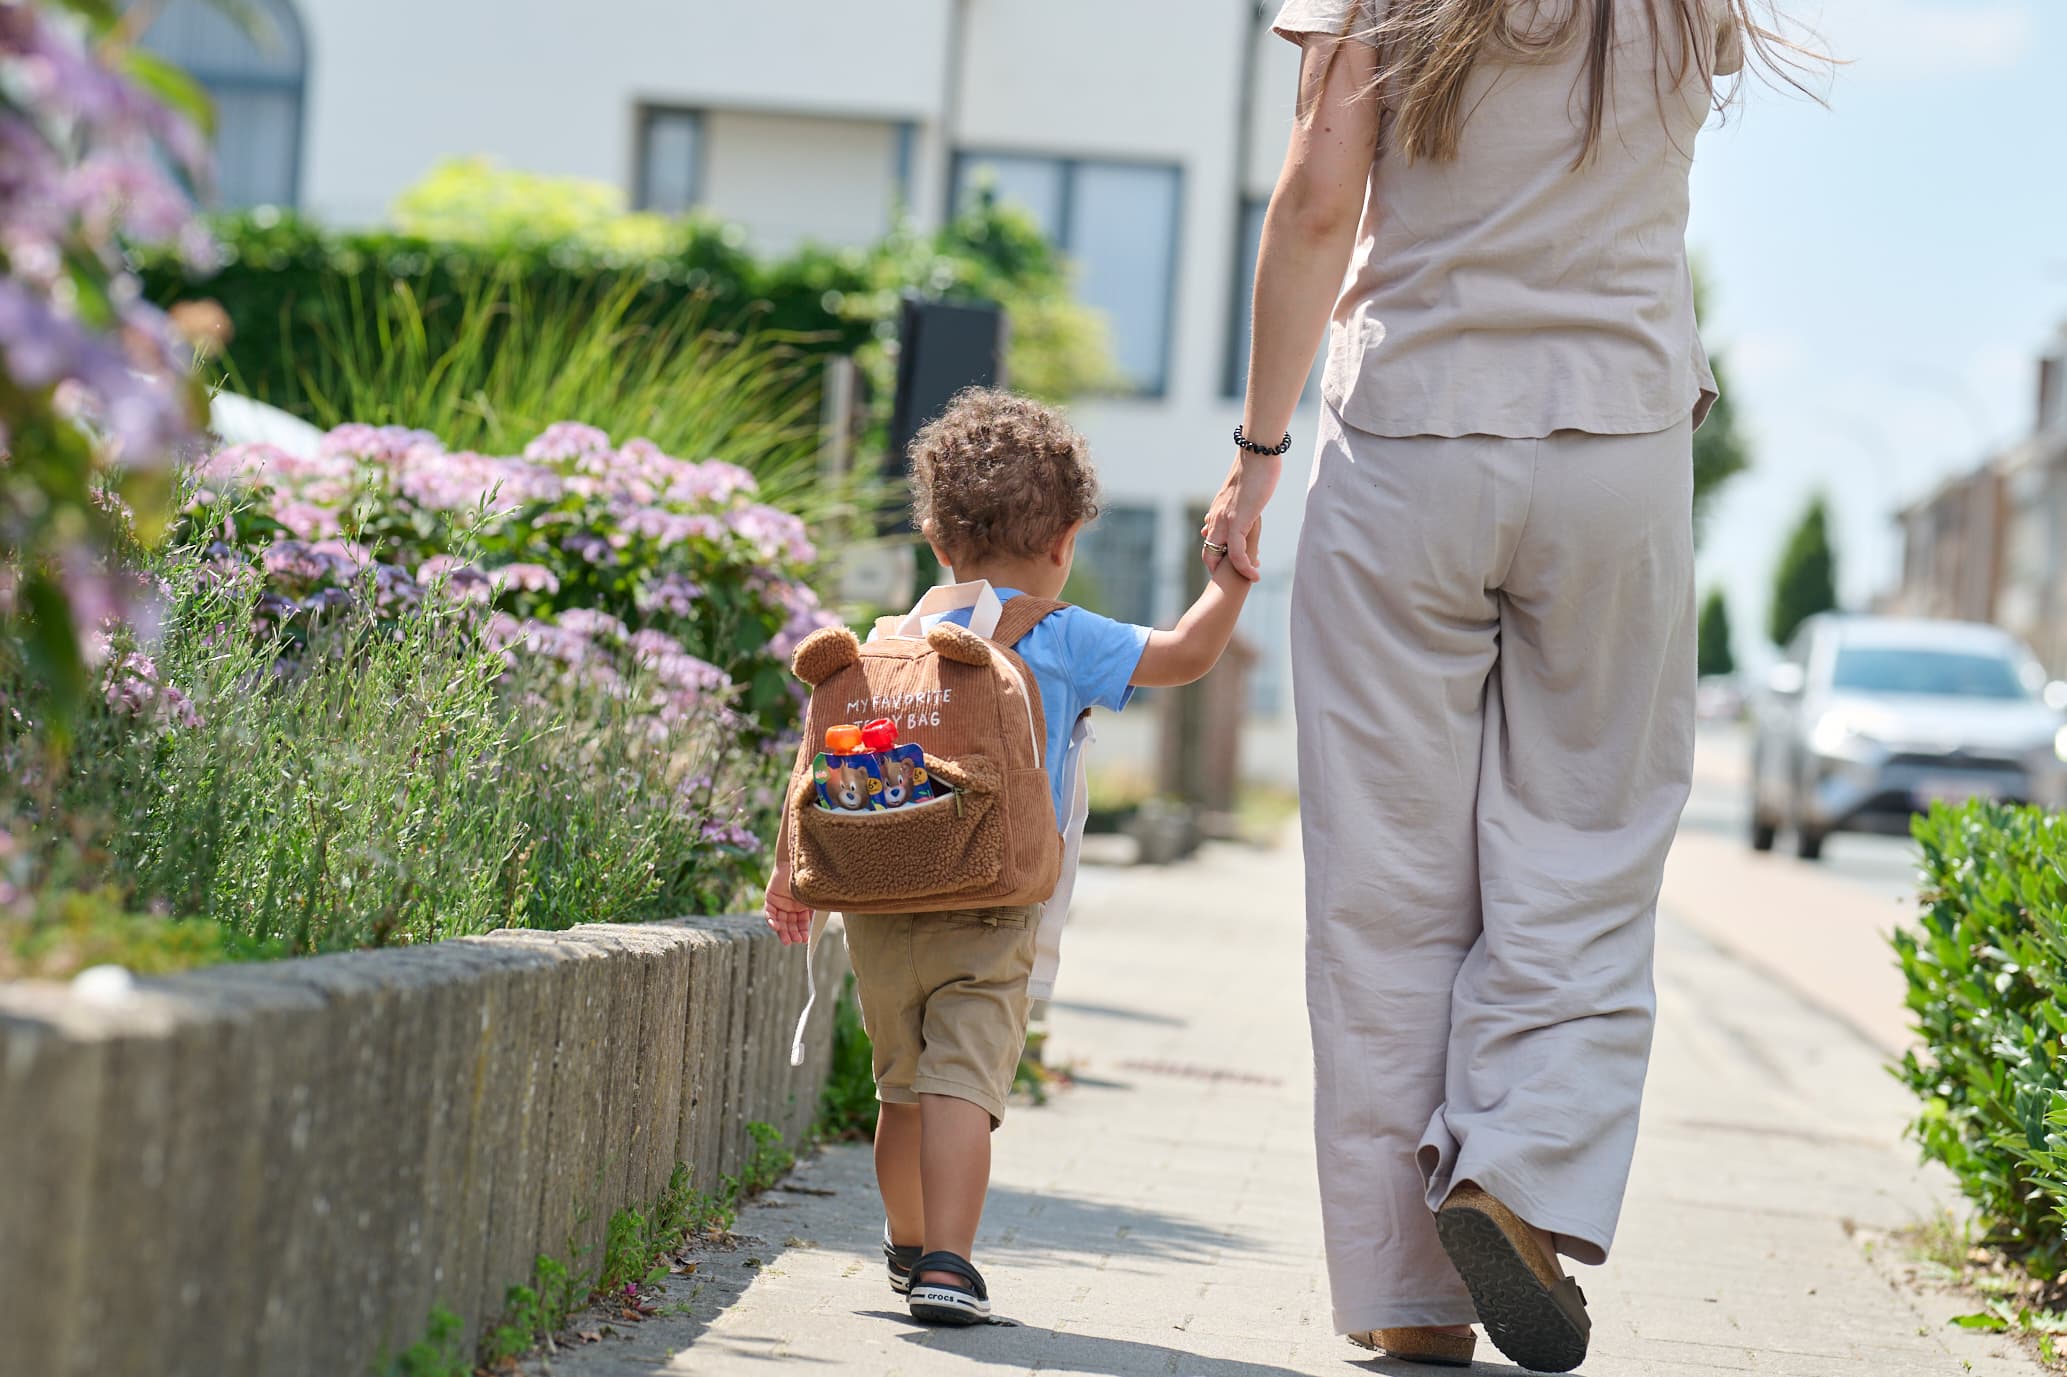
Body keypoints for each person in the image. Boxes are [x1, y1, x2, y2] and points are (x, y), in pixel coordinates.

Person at [1200, 1, 1818, 1370]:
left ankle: (1410, 1293)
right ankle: (1516, 1174)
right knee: (1582, 847)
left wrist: (1253, 451)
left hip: (1406, 439)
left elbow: (1314, 201)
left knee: (1384, 883)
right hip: (1620, 442)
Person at [766, 388, 1256, 1325]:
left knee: (900, 1082)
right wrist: (1229, 577)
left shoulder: (885, 644)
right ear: (1066, 541)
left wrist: (792, 877)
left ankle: (905, 1243)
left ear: (936, 540)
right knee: (963, 1083)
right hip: (993, 909)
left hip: (879, 905)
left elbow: (824, 770)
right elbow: (1188, 653)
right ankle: (950, 1261)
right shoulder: (1059, 633)